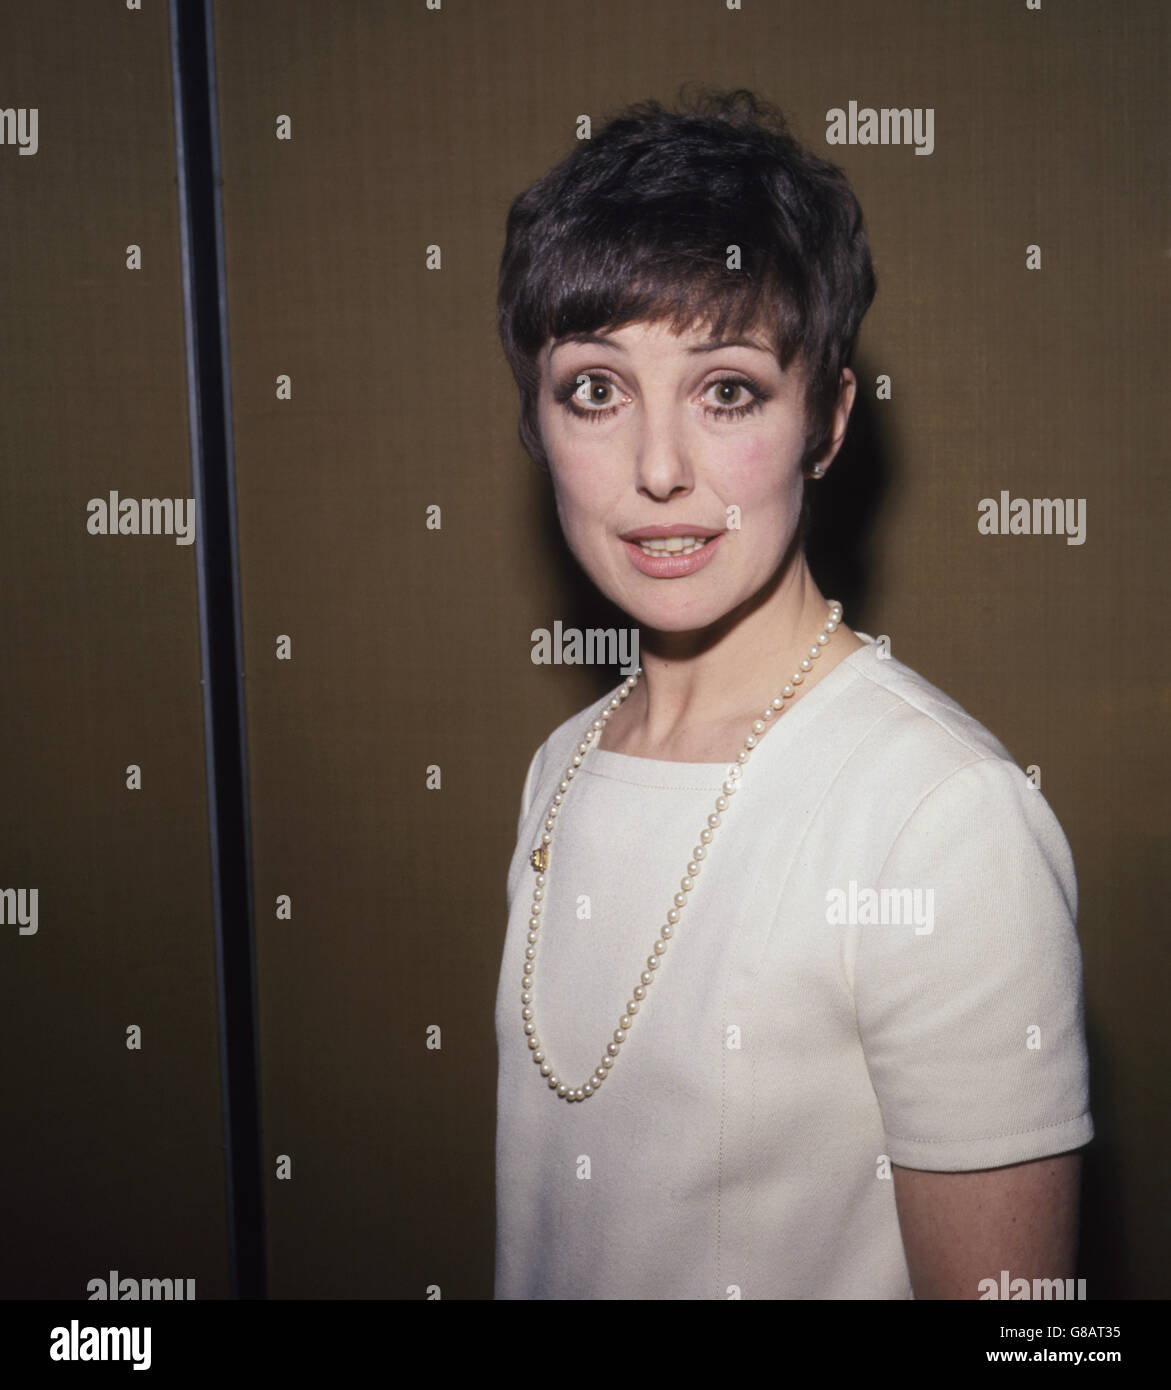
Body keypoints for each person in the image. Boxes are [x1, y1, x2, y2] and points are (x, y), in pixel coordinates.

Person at [492, 87, 1092, 1300]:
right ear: (538, 421)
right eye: (595, 389)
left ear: (824, 419)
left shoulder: (940, 819)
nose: (658, 469)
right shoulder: (562, 765)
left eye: (727, 390)